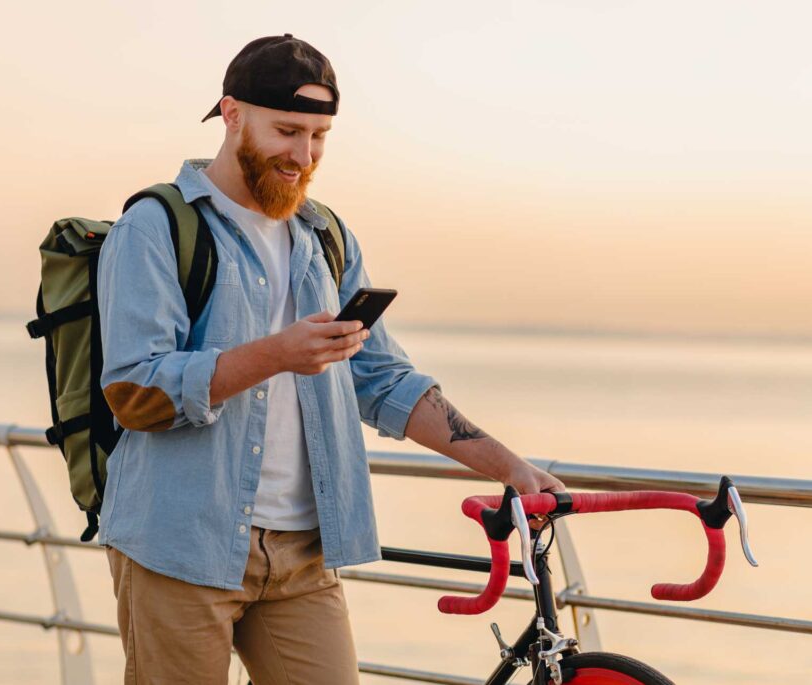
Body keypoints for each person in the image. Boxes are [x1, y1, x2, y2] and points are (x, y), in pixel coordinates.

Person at [96, 33, 565, 685]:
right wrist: (276, 354)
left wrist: (510, 466)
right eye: (288, 131)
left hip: (303, 557)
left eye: (318, 136)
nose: (304, 155)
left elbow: (383, 379)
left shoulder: (325, 237)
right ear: (232, 115)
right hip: (179, 544)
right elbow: (135, 388)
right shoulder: (156, 226)